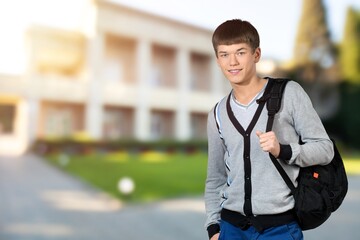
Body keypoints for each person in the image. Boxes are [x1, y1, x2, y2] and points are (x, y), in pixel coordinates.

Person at [204, 19, 334, 240]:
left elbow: (325, 149)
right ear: (218, 60)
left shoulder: (289, 93)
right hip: (230, 228)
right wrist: (214, 228)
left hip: (279, 229)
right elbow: (215, 177)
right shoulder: (217, 113)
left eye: (240, 52)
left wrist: (284, 150)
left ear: (256, 54)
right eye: (224, 54)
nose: (232, 62)